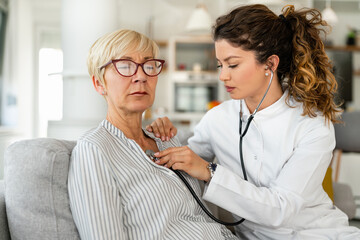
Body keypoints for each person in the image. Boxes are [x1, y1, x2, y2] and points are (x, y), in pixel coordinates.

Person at [146, 4, 360, 239]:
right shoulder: (219, 117)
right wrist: (163, 135)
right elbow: (183, 161)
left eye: (233, 64)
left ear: (270, 64)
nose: (222, 75)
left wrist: (210, 172)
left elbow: (280, 210)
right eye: (220, 64)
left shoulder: (312, 124)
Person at [67, 29, 238, 240]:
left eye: (149, 66)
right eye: (125, 66)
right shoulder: (94, 149)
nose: (141, 76)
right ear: (99, 84)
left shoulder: (165, 139)